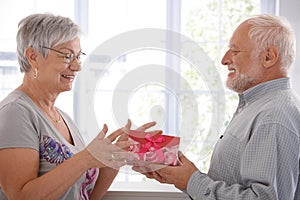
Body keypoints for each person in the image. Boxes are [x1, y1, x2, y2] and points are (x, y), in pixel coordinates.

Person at [133, 14, 300, 199]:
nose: (224, 59)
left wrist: (191, 180)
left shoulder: (274, 116)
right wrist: (182, 176)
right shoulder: (257, 107)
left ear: (268, 57)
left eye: (235, 51)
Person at [0, 13, 156, 200]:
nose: (77, 66)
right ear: (33, 57)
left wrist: (116, 156)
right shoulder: (15, 112)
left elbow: (87, 195)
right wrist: (85, 158)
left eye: (78, 57)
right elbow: (21, 197)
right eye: (67, 56)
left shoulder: (63, 118)